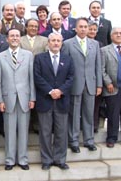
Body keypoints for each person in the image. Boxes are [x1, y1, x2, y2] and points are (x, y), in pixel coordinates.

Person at [0, 28, 36, 171]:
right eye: (11, 36)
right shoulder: (0, 57)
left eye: (17, 36)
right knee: (10, 130)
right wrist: (0, 100)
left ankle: (23, 159)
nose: (14, 38)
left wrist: (32, 97)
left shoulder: (28, 55)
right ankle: (10, 160)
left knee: (23, 131)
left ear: (20, 38)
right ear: (7, 39)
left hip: (25, 98)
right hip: (8, 99)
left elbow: (31, 78)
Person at [34, 33, 74, 171]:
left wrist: (60, 91)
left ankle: (60, 159)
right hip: (45, 100)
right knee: (45, 132)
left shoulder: (68, 59)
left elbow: (71, 78)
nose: (56, 43)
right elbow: (37, 77)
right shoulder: (39, 58)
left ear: (62, 43)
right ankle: (46, 159)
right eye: (53, 41)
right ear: (48, 43)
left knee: (61, 132)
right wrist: (51, 91)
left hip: (62, 100)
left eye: (58, 41)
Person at [62, 17, 102, 153]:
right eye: (81, 27)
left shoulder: (95, 44)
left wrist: (99, 85)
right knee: (74, 114)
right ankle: (73, 141)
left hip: (90, 84)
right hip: (74, 84)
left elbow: (98, 66)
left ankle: (89, 140)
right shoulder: (68, 44)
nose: (84, 29)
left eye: (86, 27)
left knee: (89, 113)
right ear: (76, 28)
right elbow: (65, 66)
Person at [20, 18, 48, 133]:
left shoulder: (45, 40)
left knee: (37, 100)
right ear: (26, 27)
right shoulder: (20, 40)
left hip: (39, 74)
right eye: (31, 26)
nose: (33, 28)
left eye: (35, 26)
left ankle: (36, 125)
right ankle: (26, 126)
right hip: (23, 74)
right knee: (24, 100)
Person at [87, 21, 104, 133]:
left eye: (94, 29)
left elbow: (101, 64)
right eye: (90, 29)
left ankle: (94, 125)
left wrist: (100, 83)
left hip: (95, 79)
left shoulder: (100, 44)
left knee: (95, 104)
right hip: (83, 79)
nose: (92, 31)